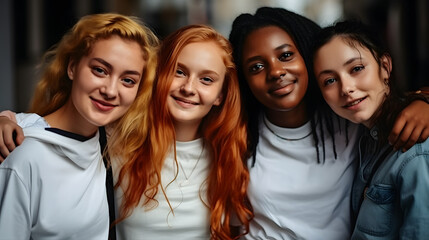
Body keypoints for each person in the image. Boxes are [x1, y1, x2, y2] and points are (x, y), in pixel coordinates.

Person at [228, 7, 429, 239]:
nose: (275, 72)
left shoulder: (350, 122)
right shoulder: (236, 135)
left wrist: (422, 100)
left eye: (285, 56)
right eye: (330, 80)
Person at [0, 13, 159, 239]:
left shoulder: (112, 143)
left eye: (128, 80)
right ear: (72, 66)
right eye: (100, 70)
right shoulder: (22, 156)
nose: (111, 91)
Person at [108, 24, 252, 239]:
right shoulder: (116, 143)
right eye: (179, 71)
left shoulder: (229, 157)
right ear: (158, 73)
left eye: (206, 79)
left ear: (220, 95)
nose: (188, 87)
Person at [313, 20, 429, 239]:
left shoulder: (415, 147)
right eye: (329, 80)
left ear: (385, 67)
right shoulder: (364, 137)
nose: (346, 88)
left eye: (356, 69)